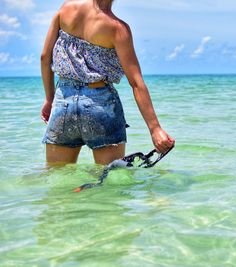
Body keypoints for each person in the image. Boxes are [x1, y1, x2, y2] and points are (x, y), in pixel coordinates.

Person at [40, 0, 175, 165]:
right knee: (108, 180)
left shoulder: (67, 8)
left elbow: (45, 58)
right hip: (100, 104)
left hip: (63, 102)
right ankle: (88, 189)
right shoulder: (117, 29)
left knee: (56, 176)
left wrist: (49, 99)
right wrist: (155, 129)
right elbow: (136, 83)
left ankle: (75, 190)